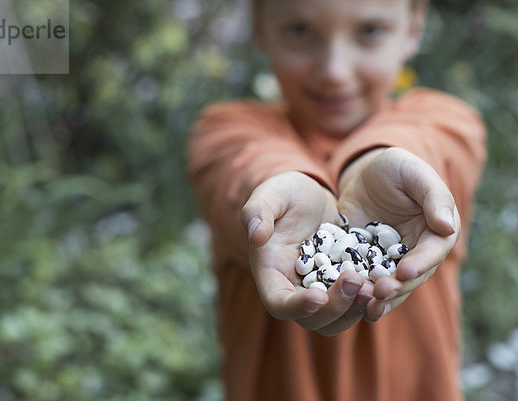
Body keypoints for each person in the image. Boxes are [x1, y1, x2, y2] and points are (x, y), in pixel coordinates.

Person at [187, 0, 487, 400]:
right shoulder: (224, 130)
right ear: (260, 27)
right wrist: (279, 188)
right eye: (299, 30)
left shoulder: (448, 120)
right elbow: (244, 168)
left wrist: (374, 161)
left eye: (370, 31)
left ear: (414, 28)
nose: (334, 72)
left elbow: (431, 145)